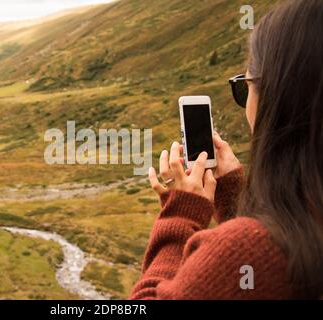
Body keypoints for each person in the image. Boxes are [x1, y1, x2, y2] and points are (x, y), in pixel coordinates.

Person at [130, 0, 323, 300]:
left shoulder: (247, 252)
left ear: (275, 97)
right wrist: (232, 196)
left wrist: (180, 215)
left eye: (244, 87)